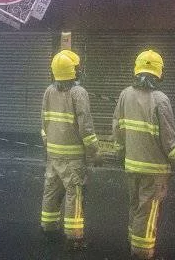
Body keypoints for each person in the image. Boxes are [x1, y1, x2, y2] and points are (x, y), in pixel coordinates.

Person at [112, 50, 175, 260]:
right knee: (148, 210)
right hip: (154, 170)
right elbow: (168, 138)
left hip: (131, 165)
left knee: (135, 206)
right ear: (159, 72)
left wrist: (120, 153)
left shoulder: (125, 94)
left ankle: (133, 242)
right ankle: (143, 253)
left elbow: (117, 127)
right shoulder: (161, 100)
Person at [40, 49, 99, 251]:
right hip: (72, 156)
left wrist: (47, 146)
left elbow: (44, 122)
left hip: (53, 153)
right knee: (74, 193)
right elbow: (86, 127)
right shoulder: (78, 93)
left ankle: (48, 227)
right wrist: (95, 151)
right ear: (72, 70)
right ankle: (74, 238)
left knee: (51, 191)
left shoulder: (49, 91)